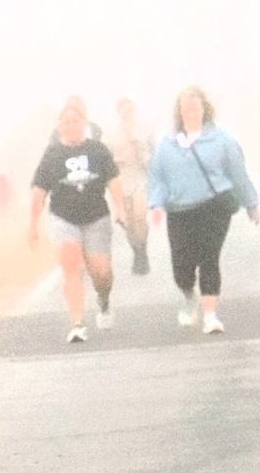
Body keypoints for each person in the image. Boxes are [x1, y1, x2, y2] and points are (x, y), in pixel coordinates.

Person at [148, 86, 259, 334]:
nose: (191, 112)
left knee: (209, 257)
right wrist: (156, 204)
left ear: (204, 110)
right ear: (179, 112)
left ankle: (210, 316)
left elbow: (238, 174)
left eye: (195, 108)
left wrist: (252, 204)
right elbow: (158, 178)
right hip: (179, 210)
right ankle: (189, 297)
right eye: (186, 108)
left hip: (213, 207)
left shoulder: (222, 140)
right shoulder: (167, 144)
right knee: (182, 265)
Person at [29, 102, 126, 342]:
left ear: (84, 124)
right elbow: (39, 191)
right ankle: (77, 323)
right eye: (66, 122)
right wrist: (32, 224)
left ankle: (103, 301)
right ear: (60, 127)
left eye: (75, 122)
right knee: (71, 266)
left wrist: (120, 209)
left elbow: (114, 181)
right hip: (63, 218)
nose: (71, 126)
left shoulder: (98, 150)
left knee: (101, 273)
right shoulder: (52, 155)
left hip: (96, 217)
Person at [106, 97, 153, 275]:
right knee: (130, 222)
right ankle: (138, 252)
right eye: (122, 109)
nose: (126, 113)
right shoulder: (111, 135)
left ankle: (143, 249)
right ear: (118, 112)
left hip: (140, 177)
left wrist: (146, 157)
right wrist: (120, 159)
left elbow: (154, 151)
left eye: (129, 109)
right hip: (121, 180)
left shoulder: (144, 130)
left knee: (140, 216)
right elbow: (106, 160)